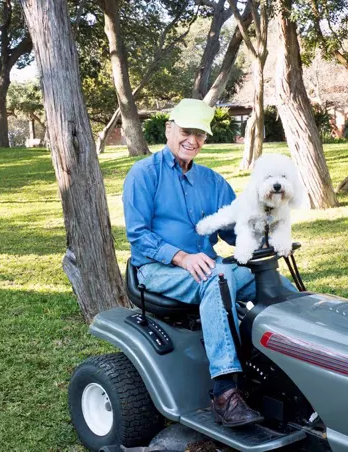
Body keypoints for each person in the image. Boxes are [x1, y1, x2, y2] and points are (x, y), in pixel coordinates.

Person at [122, 98, 297, 427]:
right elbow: (138, 235)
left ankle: (297, 356)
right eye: (187, 132)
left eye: (200, 135)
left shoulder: (212, 181)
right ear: (169, 129)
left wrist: (268, 232)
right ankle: (224, 393)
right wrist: (182, 256)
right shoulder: (143, 174)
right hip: (157, 270)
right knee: (217, 278)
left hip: (207, 266)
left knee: (269, 278)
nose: (193, 140)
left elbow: (234, 230)